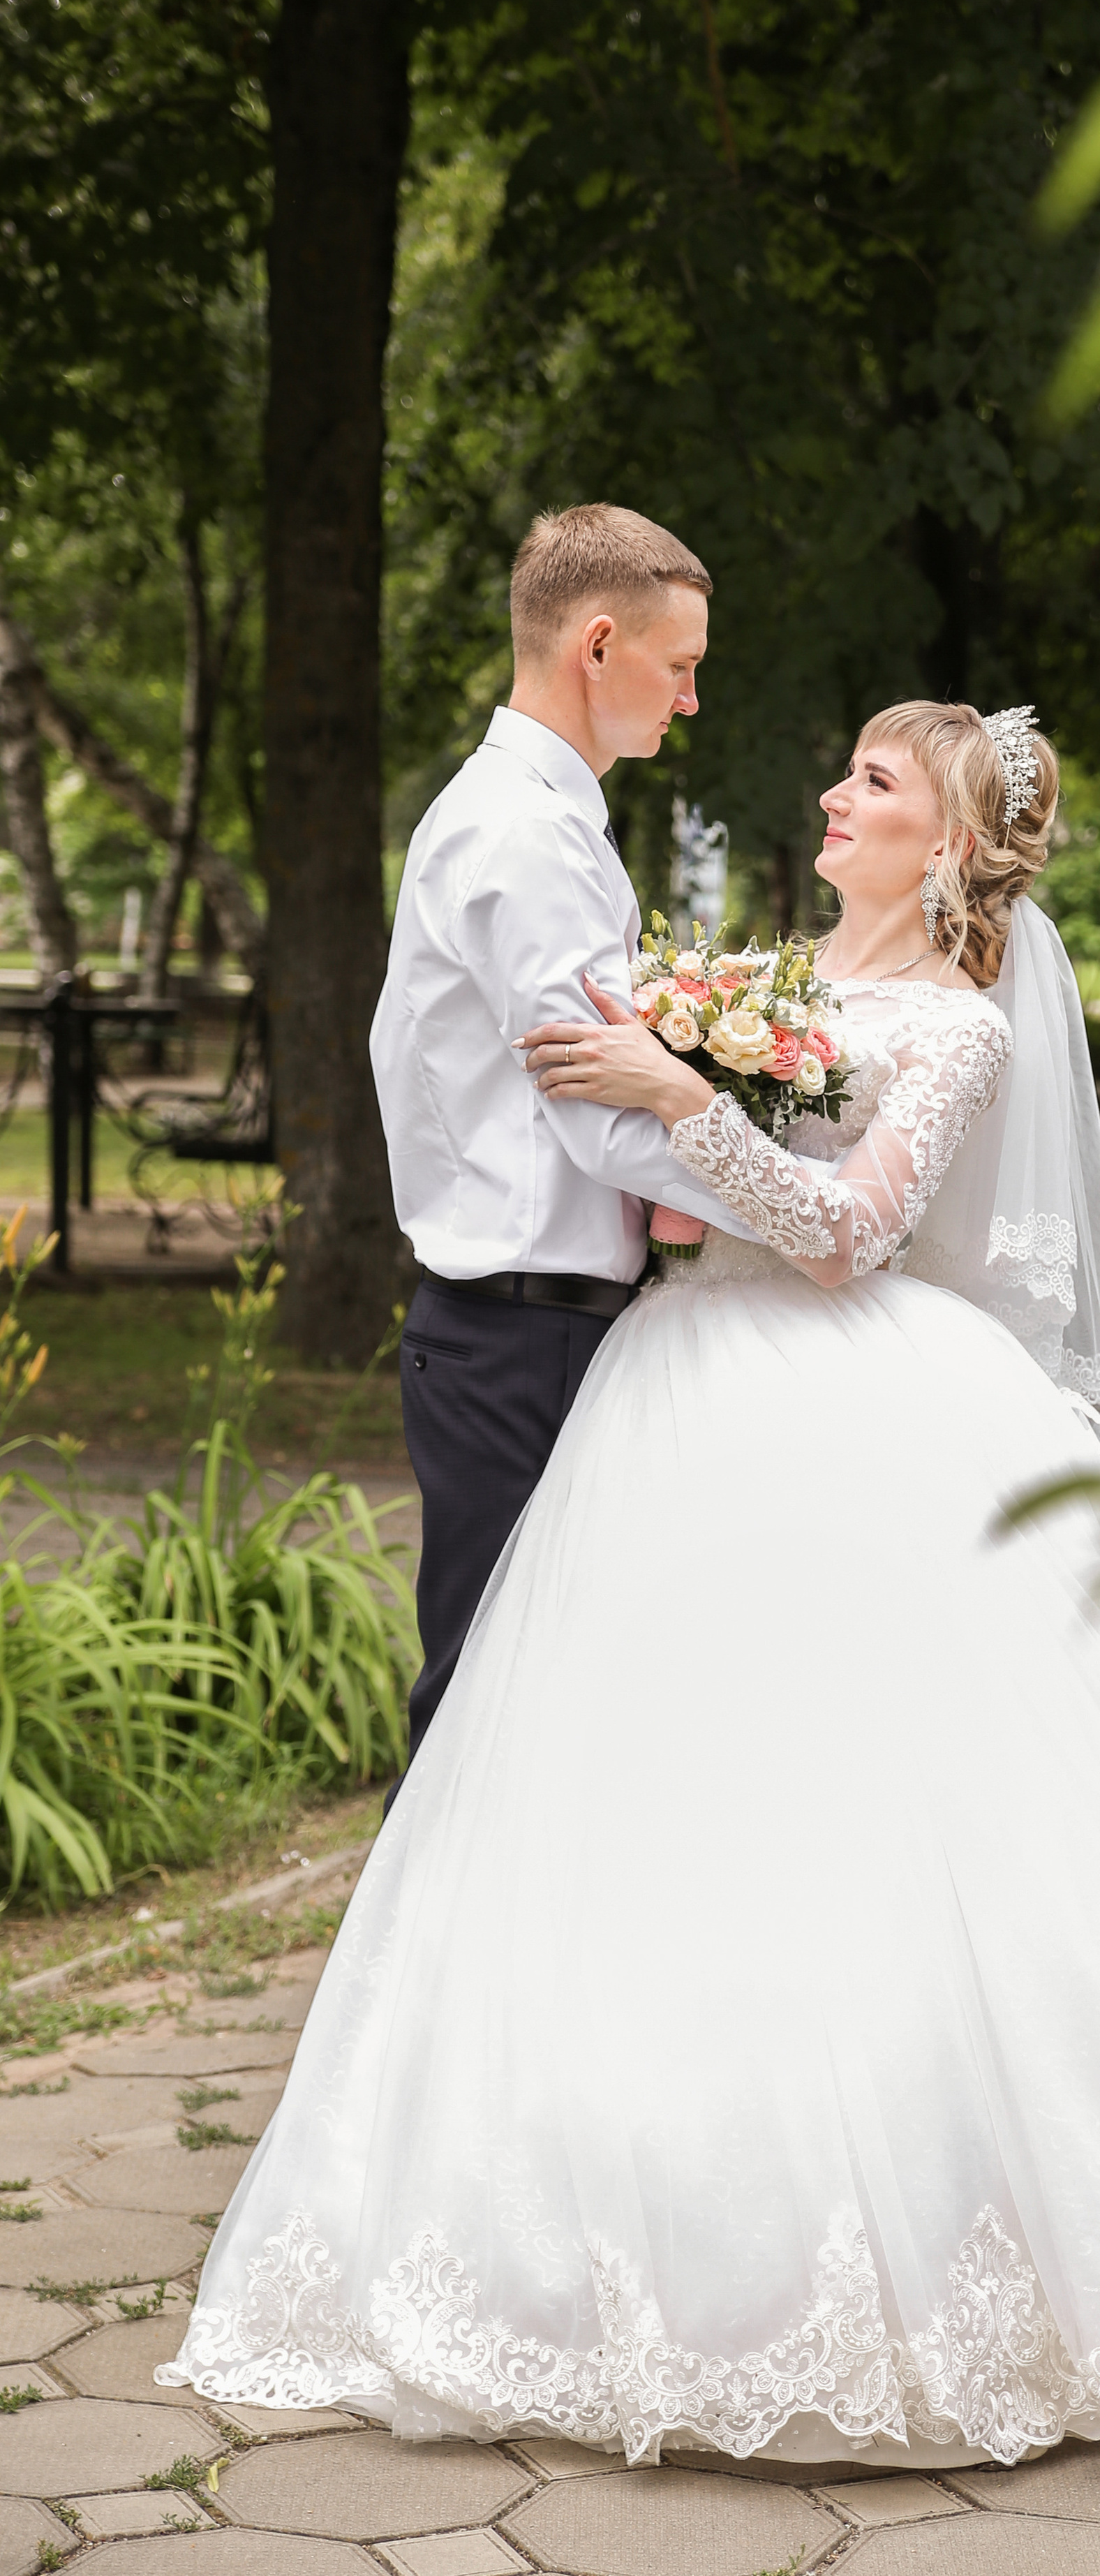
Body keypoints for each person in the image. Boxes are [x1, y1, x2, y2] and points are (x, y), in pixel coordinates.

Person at [162, 700, 1100, 2465]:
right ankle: (610, 2213)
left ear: (947, 844)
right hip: (673, 1399)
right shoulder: (763, 985)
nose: (832, 797)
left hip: (864, 1414)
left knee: (886, 1815)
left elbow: (851, 1233)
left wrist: (691, 1102)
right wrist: (681, 1125)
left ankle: (970, 2232)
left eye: (875, 784)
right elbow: (693, 1216)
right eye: (842, 770)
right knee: (642, 1805)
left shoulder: (956, 1028)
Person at [369, 503, 750, 1793]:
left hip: (555, 1328)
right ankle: (428, 1997)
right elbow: (607, 1118)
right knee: (490, 1722)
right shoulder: (521, 838)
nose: (690, 699)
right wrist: (808, 1204)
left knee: (572, 1718)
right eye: (682, 664)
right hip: (521, 1342)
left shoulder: (549, 823)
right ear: (599, 644)